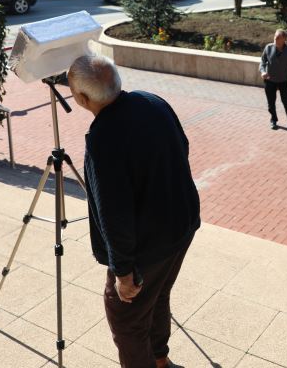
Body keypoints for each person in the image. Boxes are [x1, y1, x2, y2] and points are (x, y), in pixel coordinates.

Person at [67, 55, 200, 368]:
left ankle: (156, 360)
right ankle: (160, 361)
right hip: (182, 225)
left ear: (83, 98)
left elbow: (114, 215)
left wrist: (123, 272)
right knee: (158, 295)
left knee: (126, 318)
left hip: (149, 245)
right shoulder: (151, 101)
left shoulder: (103, 138)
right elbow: (183, 148)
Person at [260, 29, 287, 131]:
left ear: (284, 39)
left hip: (284, 81)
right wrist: (263, 71)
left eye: (278, 38)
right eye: (275, 37)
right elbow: (262, 62)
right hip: (269, 80)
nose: (275, 39)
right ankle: (273, 120)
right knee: (271, 103)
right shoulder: (268, 48)